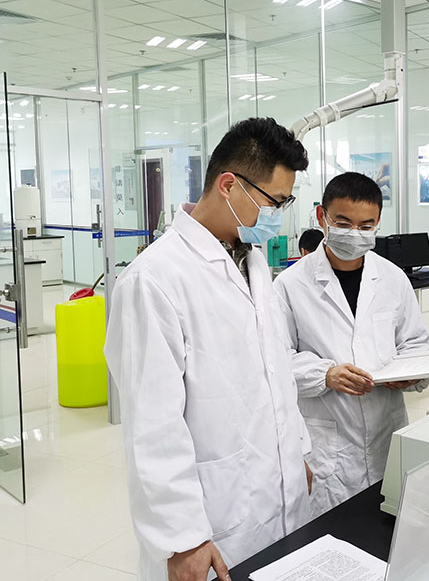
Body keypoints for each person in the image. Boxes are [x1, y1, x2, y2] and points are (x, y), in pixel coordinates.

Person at [105, 117, 313, 581]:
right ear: (229, 185)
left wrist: (296, 451)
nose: (279, 215)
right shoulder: (153, 280)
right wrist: (183, 538)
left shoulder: (252, 262)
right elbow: (153, 426)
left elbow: (275, 372)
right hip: (213, 518)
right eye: (275, 202)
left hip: (278, 493)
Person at [274, 172, 429, 518]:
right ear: (322, 217)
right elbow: (274, 361)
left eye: (366, 226)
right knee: (331, 532)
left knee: (386, 525)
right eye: (344, 223)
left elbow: (416, 342)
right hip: (328, 442)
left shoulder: (392, 278)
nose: (354, 234)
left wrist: (411, 372)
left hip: (387, 429)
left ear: (378, 223)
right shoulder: (290, 285)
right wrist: (325, 374)